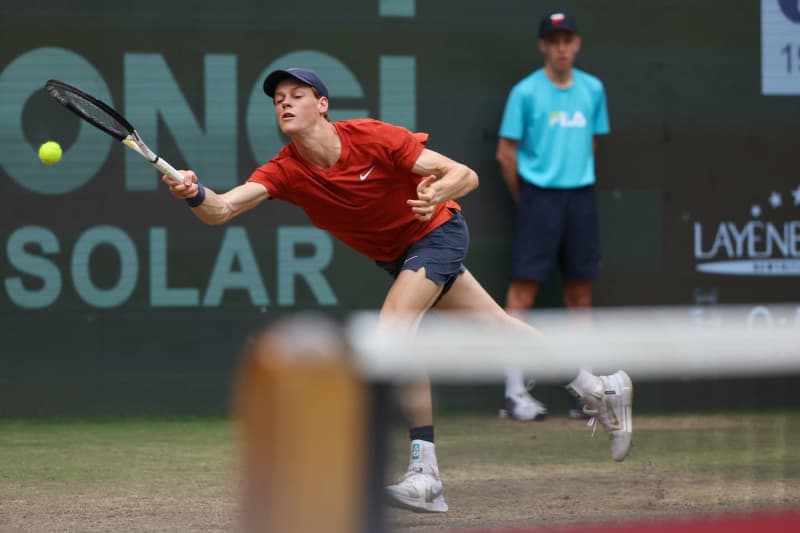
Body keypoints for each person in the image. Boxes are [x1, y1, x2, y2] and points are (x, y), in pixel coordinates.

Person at [161, 67, 631, 514]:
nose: (285, 104)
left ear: (322, 105)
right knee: (499, 329)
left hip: (438, 235)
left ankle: (425, 474)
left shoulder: (372, 136)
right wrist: (195, 194)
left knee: (393, 330)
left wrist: (437, 192)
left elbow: (465, 174)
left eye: (296, 96)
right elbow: (222, 209)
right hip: (401, 257)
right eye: (279, 100)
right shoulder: (285, 171)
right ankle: (600, 387)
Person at [496, 11, 611, 421]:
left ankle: (589, 397)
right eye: (554, 40)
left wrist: (572, 177)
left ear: (576, 44)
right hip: (538, 199)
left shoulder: (593, 90)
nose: (561, 47)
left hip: (579, 199)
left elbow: (592, 145)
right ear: (544, 46)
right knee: (521, 295)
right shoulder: (525, 93)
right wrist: (528, 199)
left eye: (568, 40)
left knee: (580, 296)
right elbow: (506, 154)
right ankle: (513, 394)